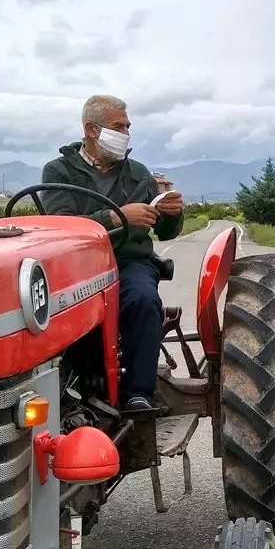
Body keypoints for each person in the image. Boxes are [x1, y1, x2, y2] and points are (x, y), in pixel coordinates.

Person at [41, 94, 185, 411]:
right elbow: (61, 228)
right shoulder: (59, 172)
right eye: (119, 127)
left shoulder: (138, 173)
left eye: (128, 127)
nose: (126, 134)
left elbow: (165, 231)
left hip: (128, 261)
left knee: (144, 300)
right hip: (78, 268)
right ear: (92, 129)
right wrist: (118, 217)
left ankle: (137, 394)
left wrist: (172, 213)